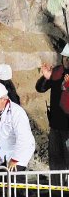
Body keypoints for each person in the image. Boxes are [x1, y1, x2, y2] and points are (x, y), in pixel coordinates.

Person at [0, 82, 36, 197]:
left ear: (4, 99)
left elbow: (23, 138)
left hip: (21, 148)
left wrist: (15, 159)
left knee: (13, 177)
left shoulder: (17, 112)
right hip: (4, 148)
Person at [36, 43, 69, 185]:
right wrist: (46, 78)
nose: (66, 60)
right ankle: (57, 190)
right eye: (65, 58)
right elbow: (40, 88)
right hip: (55, 124)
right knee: (55, 158)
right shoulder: (58, 71)